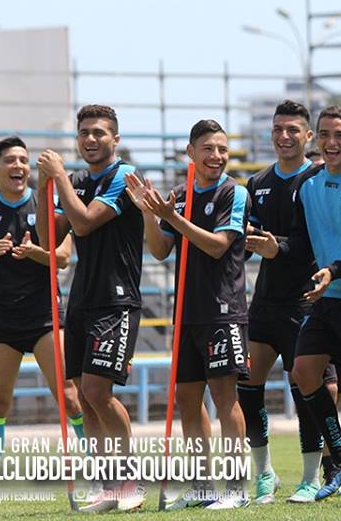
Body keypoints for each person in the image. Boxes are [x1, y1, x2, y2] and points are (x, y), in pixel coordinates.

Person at [251, 105, 341, 500]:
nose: (332, 143)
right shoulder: (308, 184)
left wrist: (333, 270)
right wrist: (276, 247)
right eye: (326, 134)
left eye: (340, 135)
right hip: (329, 294)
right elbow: (301, 241)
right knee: (304, 372)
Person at [127, 119, 251, 511]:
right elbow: (160, 250)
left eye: (222, 149)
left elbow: (217, 246)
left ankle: (237, 487)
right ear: (191, 152)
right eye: (208, 148)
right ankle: (202, 486)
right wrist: (148, 213)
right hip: (187, 312)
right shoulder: (179, 195)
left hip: (222, 310)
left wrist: (175, 219)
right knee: (186, 398)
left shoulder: (234, 193)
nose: (216, 156)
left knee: (225, 397)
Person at [0, 136, 82, 505]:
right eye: (10, 160)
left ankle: (99, 472)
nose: (18, 166)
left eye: (23, 160)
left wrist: (34, 252)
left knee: (70, 397)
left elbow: (63, 258)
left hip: (45, 315)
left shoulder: (48, 205)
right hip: (3, 318)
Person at [36, 105, 145, 512]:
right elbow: (49, 238)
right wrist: (43, 187)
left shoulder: (124, 176)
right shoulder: (78, 182)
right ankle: (109, 484)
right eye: (84, 132)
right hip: (82, 298)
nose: (90, 139)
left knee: (99, 390)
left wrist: (60, 176)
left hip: (116, 299)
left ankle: (130, 481)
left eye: (99, 132)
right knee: (85, 395)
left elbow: (83, 223)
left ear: (115, 138)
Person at [238, 100, 341, 504]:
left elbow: (317, 240)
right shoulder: (258, 182)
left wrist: (277, 247)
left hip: (306, 301)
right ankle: (265, 472)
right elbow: (250, 238)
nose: (284, 136)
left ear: (307, 136)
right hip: (266, 299)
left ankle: (312, 476)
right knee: (247, 382)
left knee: (308, 387)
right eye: (278, 129)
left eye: (293, 130)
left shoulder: (318, 180)